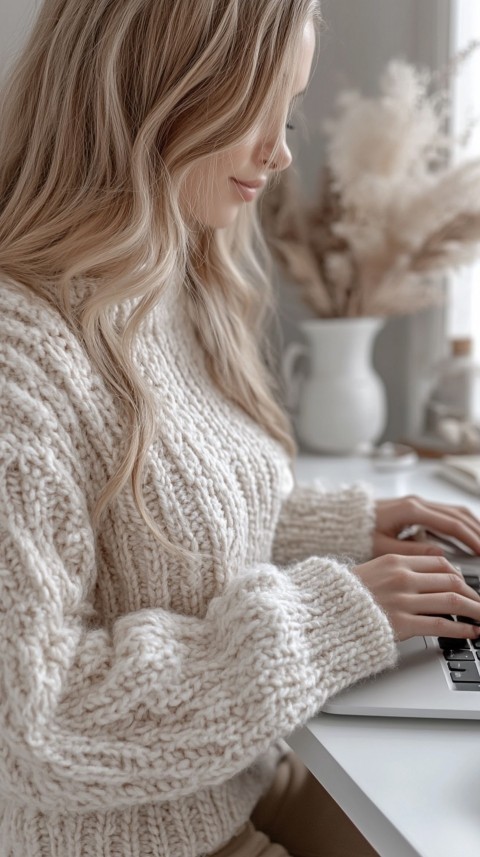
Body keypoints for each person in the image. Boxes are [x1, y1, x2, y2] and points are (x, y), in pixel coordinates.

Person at [1, 2, 480, 856]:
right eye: (255, 110)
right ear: (152, 91)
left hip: (236, 782)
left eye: (286, 114)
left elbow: (148, 520)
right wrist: (332, 615)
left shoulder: (162, 282)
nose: (282, 150)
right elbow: (30, 728)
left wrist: (347, 528)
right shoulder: (18, 358)